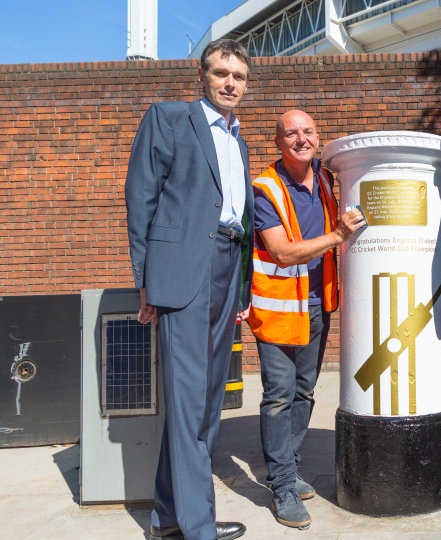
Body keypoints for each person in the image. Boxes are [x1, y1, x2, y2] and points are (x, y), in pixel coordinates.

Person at [125, 39, 254, 540]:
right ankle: (199, 529)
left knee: (204, 401)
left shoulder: (239, 141)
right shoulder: (170, 117)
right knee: (189, 401)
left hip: (227, 265)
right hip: (183, 270)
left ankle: (168, 517)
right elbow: (141, 196)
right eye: (221, 73)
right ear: (201, 76)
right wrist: (145, 280)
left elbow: (240, 217)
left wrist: (241, 286)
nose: (230, 83)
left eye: (238, 76)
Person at [248, 110, 364, 529]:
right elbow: (281, 252)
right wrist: (338, 236)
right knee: (279, 395)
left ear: (318, 137)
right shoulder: (264, 189)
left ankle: (289, 466)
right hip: (278, 309)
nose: (301, 139)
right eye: (291, 133)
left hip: (316, 303)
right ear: (277, 142)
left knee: (304, 390)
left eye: (308, 132)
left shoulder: (327, 178)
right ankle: (281, 486)